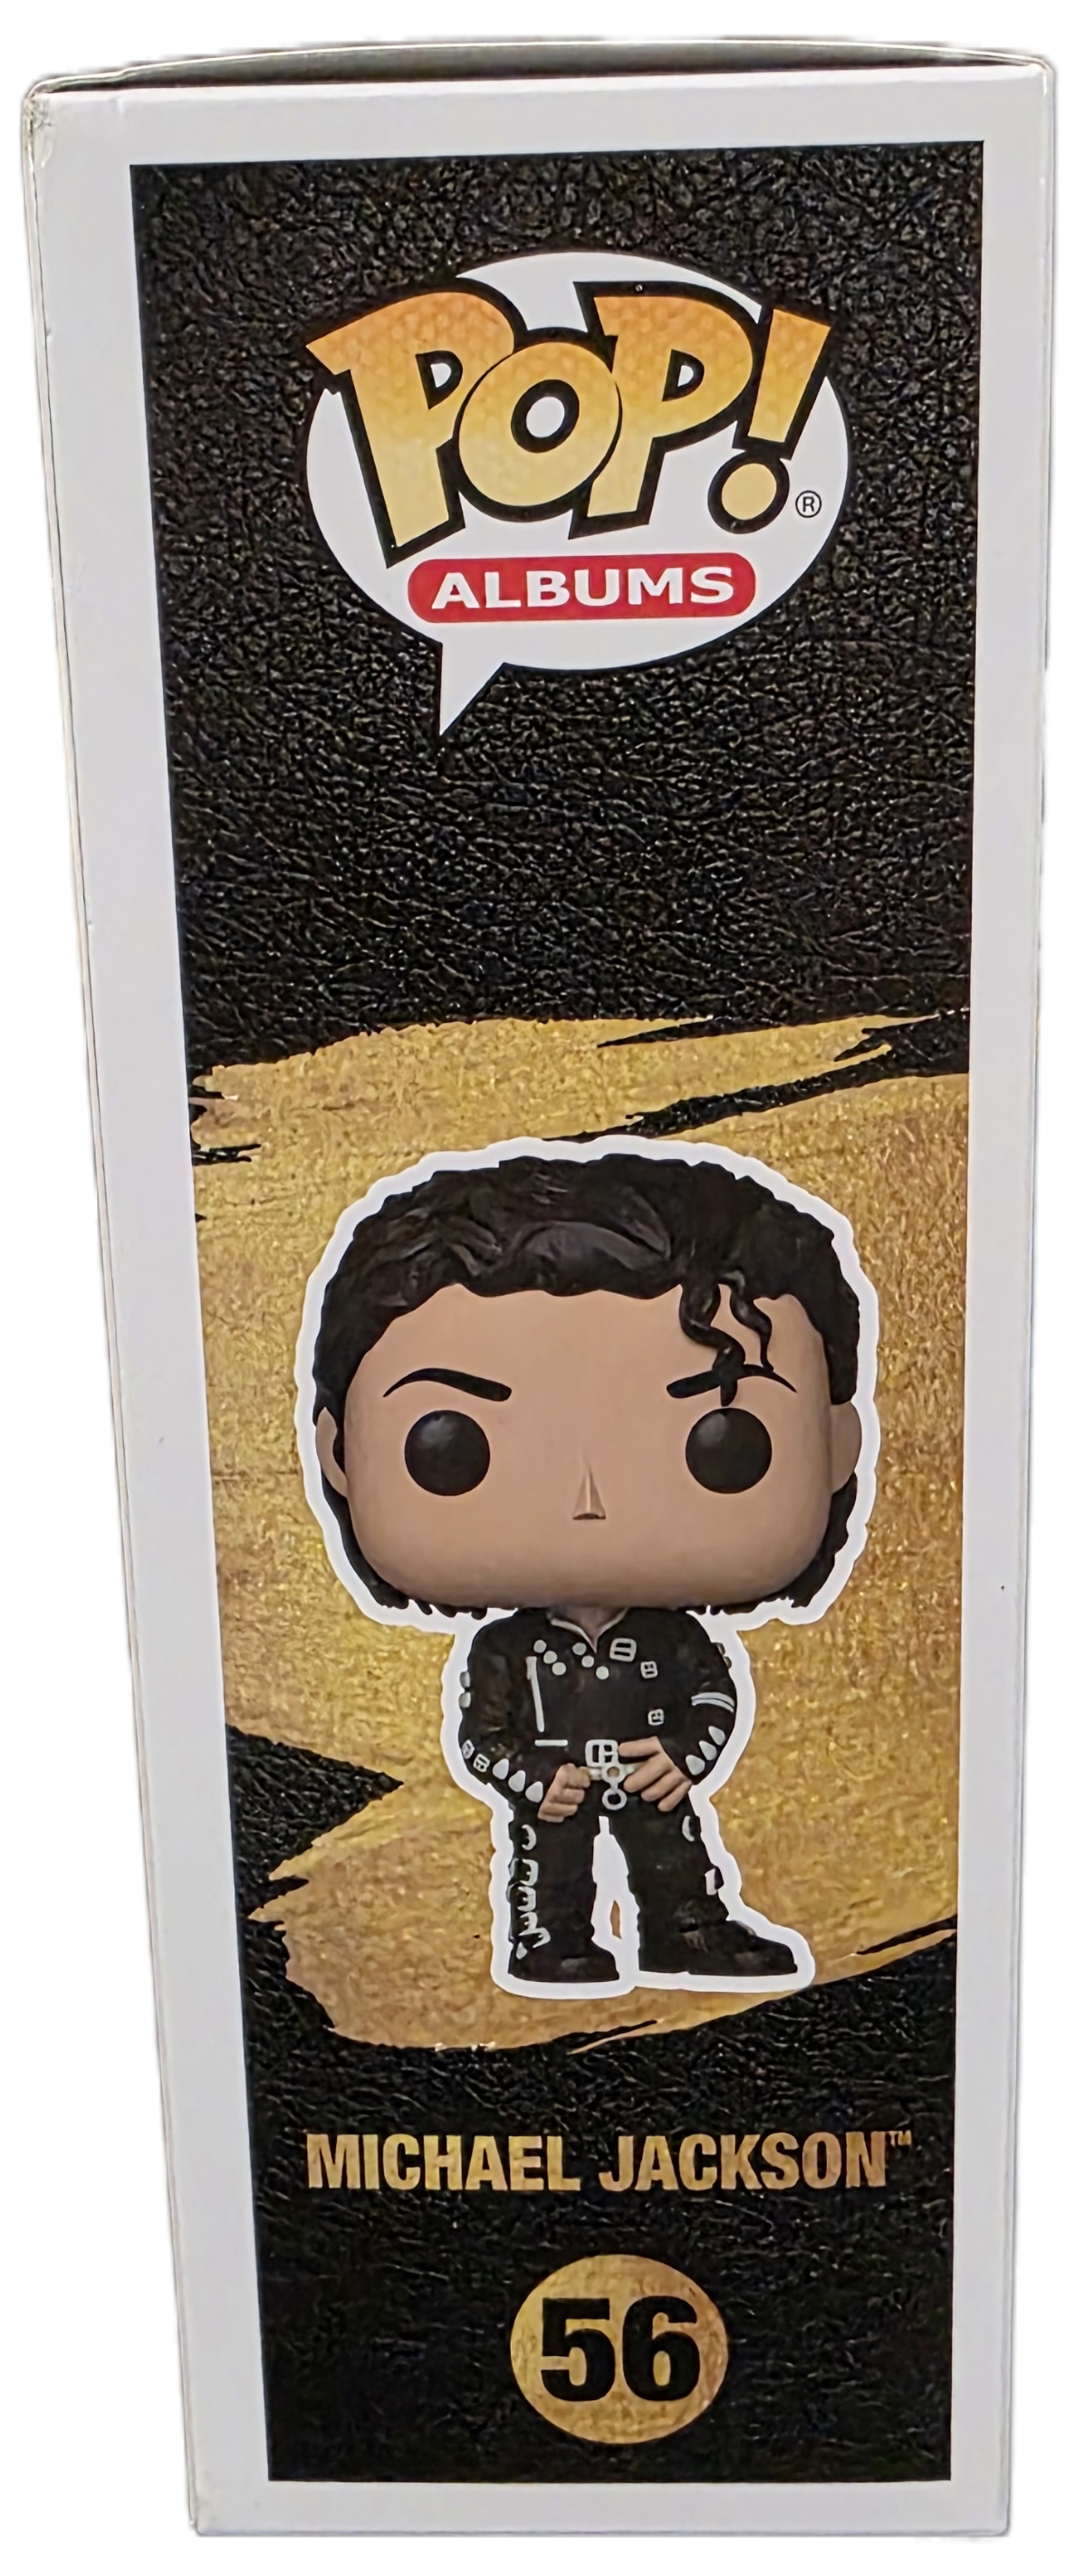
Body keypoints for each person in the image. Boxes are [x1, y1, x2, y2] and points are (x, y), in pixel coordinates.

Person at [308, 1147, 869, 1990]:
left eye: (723, 1445)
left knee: (675, 1857)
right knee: (550, 1870)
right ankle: (550, 1938)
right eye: (450, 1447)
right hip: (554, 1789)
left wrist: (683, 1756)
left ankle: (685, 1929)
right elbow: (482, 1736)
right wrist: (536, 1777)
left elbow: (712, 1699)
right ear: (341, 1454)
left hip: (651, 1775)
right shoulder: (508, 1652)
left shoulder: (673, 1644)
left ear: (836, 1445)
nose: (588, 1500)